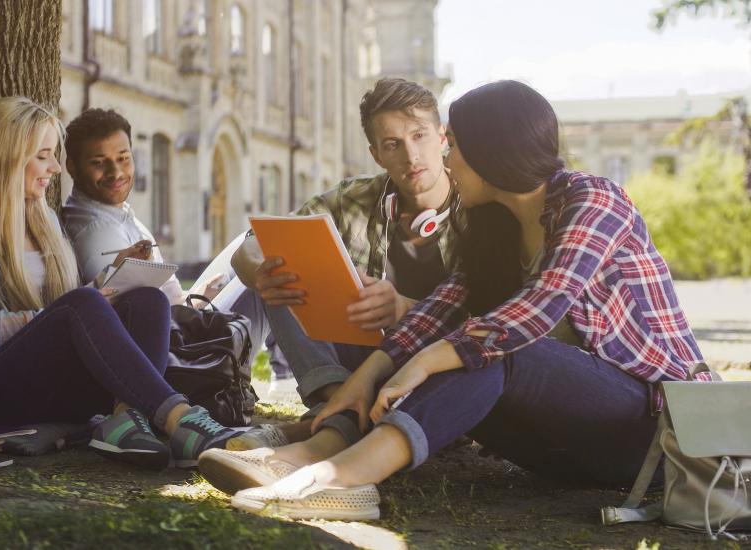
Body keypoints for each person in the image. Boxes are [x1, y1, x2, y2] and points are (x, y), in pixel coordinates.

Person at [197, 80, 707, 521]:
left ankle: (341, 477)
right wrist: (368, 375)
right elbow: (438, 311)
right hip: (559, 449)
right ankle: (322, 444)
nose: (444, 157)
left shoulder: (594, 201)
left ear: (492, 150)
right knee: (446, 339)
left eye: (453, 144)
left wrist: (423, 362)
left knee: (491, 345)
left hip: (652, 436)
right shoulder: (495, 227)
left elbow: (538, 309)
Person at [0, 96, 238, 471]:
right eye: (43, 155)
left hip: (50, 383)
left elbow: (65, 304)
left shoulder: (43, 220)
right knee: (81, 304)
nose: (54, 167)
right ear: (7, 156)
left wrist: (111, 279)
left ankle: (125, 420)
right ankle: (179, 419)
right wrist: (59, 312)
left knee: (149, 299)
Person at [226, 78, 455, 450]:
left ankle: (329, 426)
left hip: (435, 366)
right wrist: (259, 273)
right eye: (393, 145)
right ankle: (338, 408)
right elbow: (249, 248)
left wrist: (401, 308)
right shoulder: (357, 197)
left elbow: (487, 319)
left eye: (420, 136)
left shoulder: (476, 206)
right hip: (358, 360)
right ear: (376, 154)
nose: (411, 156)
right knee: (283, 265)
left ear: (441, 137)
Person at [60, 108, 271, 373]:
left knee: (253, 243)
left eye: (123, 158)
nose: (116, 172)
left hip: (181, 327)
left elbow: (163, 308)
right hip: (186, 359)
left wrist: (198, 298)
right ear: (71, 167)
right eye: (99, 163)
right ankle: (288, 371)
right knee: (271, 265)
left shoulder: (114, 213)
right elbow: (139, 325)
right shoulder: (96, 232)